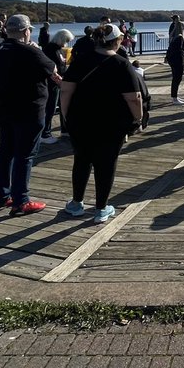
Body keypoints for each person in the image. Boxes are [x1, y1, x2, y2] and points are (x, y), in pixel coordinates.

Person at [58, 23, 144, 224]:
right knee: (106, 164)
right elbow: (134, 97)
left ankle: (76, 203)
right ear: (117, 41)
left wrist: (66, 116)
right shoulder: (122, 64)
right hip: (112, 122)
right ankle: (101, 208)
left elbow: (65, 90)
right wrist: (138, 119)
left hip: (80, 120)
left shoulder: (80, 60)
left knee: (81, 160)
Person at [0, 15, 65, 216]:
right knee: (25, 155)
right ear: (26, 31)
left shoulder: (0, 49)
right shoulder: (30, 50)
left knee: (4, 152)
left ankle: (1, 196)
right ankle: (21, 201)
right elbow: (53, 69)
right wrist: (35, 49)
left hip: (4, 108)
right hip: (29, 110)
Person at [40, 29, 73, 143]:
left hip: (60, 82)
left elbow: (61, 64)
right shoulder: (50, 49)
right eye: (66, 41)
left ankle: (65, 129)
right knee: (50, 108)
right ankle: (45, 133)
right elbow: (50, 67)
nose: (66, 44)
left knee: (63, 106)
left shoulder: (58, 49)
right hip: (52, 83)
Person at [165, 24, 184, 105]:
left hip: (174, 60)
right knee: (177, 78)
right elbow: (178, 49)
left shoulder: (174, 37)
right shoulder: (180, 37)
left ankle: (175, 96)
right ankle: (174, 98)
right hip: (178, 60)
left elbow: (170, 48)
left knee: (176, 78)